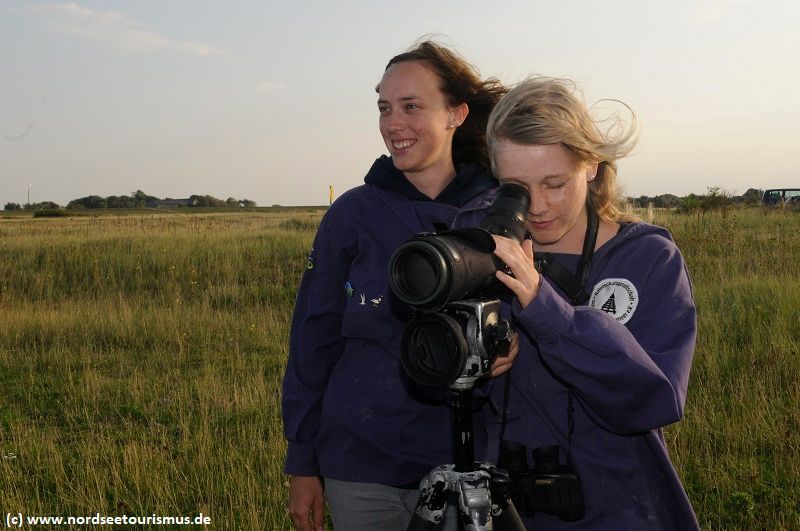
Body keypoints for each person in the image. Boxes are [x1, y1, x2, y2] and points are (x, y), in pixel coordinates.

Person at [282, 41, 512, 531]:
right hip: (362, 469)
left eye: (412, 107)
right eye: (385, 108)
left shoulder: (500, 215)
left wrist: (513, 343)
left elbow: (540, 315)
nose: (393, 123)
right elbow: (312, 342)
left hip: (472, 465)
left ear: (456, 114)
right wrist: (304, 463)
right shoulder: (352, 215)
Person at [453, 77, 699, 529]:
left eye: (554, 183)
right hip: (498, 502)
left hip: (614, 505)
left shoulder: (647, 257)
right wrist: (476, 366)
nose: (539, 206)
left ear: (590, 165)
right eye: (517, 188)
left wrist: (547, 310)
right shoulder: (479, 241)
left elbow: (654, 399)